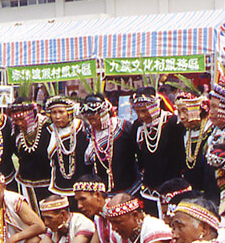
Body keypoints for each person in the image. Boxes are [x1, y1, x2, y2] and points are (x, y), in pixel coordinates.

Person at [131, 86, 185, 216]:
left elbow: (181, 156)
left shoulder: (173, 123)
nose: (141, 116)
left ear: (155, 106)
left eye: (144, 111)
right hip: (148, 190)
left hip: (171, 189)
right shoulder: (137, 126)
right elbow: (139, 158)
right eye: (137, 111)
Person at [80, 94, 138, 194]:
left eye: (95, 117)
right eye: (89, 118)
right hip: (103, 191)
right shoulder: (87, 133)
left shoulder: (124, 127)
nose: (92, 122)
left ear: (104, 113)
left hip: (130, 187)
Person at [8, 98, 51, 214]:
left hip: (49, 184)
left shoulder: (48, 128)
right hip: (25, 184)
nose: (19, 123)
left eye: (22, 119)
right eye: (16, 120)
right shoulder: (16, 132)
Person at [175, 91, 218, 205]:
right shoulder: (184, 132)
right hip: (192, 196)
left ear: (198, 109)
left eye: (185, 111)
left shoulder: (212, 131)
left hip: (212, 195)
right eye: (179, 112)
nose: (182, 117)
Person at [45, 95, 90, 197]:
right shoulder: (48, 132)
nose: (57, 116)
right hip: (57, 188)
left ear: (69, 113)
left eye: (61, 112)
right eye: (54, 112)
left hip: (83, 187)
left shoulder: (83, 129)